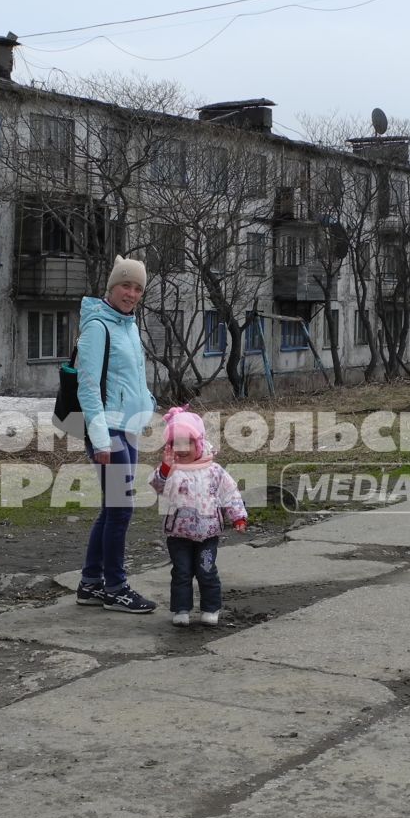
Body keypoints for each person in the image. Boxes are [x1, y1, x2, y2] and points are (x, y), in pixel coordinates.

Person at [74, 256, 159, 613]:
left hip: (128, 425)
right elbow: (88, 386)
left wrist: (150, 405)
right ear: (112, 287)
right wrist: (101, 439)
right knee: (121, 509)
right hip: (107, 428)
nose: (132, 293)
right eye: (126, 285)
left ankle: (91, 583)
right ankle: (115, 587)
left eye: (138, 288)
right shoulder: (98, 327)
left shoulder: (127, 324)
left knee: (113, 508)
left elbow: (132, 377)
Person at [149, 405, 247, 627]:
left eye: (188, 443)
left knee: (206, 570)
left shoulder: (214, 471)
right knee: (181, 572)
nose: (182, 449)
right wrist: (165, 469)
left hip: (208, 534)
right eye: (176, 444)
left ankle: (211, 608)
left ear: (199, 442)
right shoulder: (171, 470)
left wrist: (238, 516)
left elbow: (230, 493)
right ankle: (181, 609)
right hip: (178, 534)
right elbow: (157, 487)